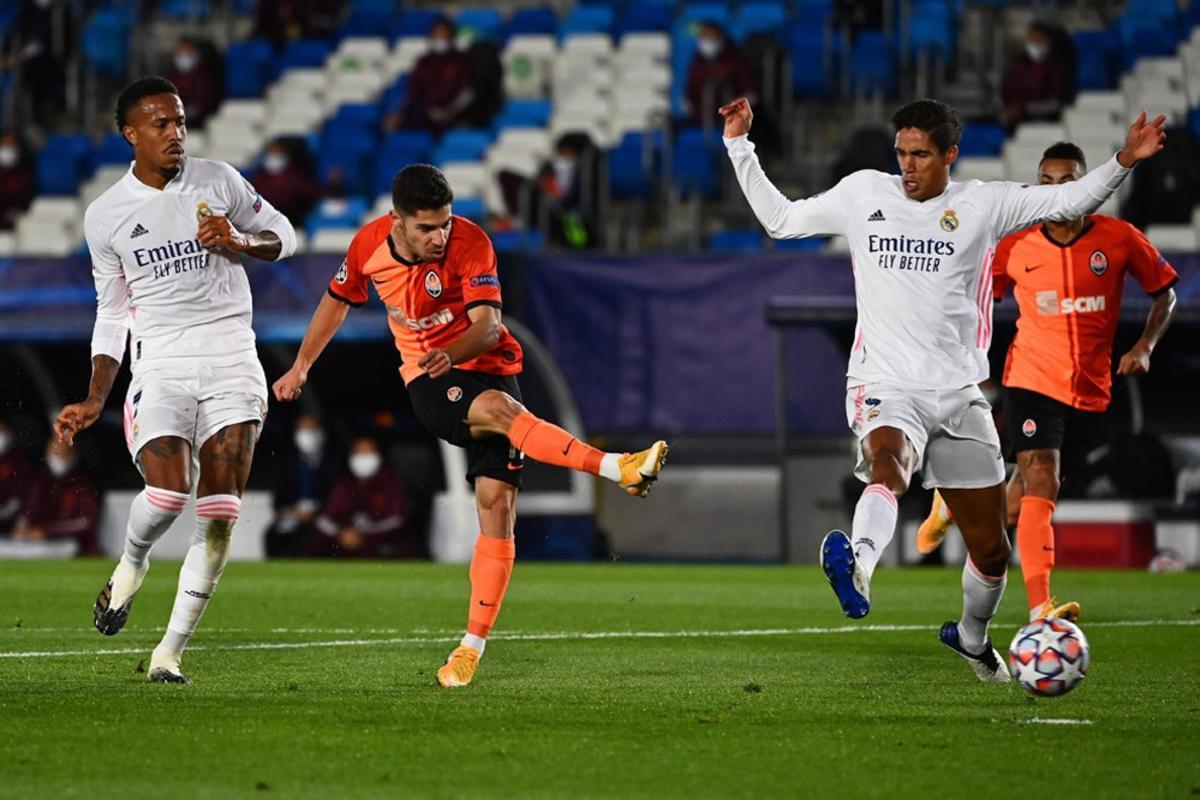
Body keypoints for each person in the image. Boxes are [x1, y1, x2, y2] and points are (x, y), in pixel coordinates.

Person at [720, 95, 1164, 682]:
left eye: (921, 155)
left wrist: (1124, 160)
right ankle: (860, 567)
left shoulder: (982, 205)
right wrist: (738, 145)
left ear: (950, 155)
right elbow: (781, 218)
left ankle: (973, 639)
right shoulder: (864, 194)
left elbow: (1068, 199)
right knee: (889, 462)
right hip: (884, 380)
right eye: (901, 153)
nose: (907, 166)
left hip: (958, 393)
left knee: (990, 551)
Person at [273, 164, 669, 687]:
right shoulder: (368, 245)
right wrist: (302, 365)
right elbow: (336, 302)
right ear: (397, 221)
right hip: (430, 379)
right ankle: (618, 467)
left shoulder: (471, 242)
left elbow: (488, 328)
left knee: (497, 507)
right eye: (426, 228)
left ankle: (469, 648)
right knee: (505, 417)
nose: (439, 237)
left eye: (445, 223)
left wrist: (450, 350)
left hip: (485, 365)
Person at [54, 76, 298, 684]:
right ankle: (131, 564)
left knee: (219, 512)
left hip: (232, 355)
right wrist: (93, 397)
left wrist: (239, 239)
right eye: (160, 124)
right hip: (160, 361)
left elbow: (286, 236)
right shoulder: (105, 215)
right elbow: (111, 313)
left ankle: (169, 652)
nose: (175, 134)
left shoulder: (217, 180)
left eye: (181, 122)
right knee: (167, 494)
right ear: (129, 134)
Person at [917, 141, 1178, 622]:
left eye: (1068, 181)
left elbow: (1166, 295)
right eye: (1047, 182)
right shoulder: (1016, 244)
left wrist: (1145, 346)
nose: (1058, 191)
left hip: (1091, 390)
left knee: (1019, 507)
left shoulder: (1119, 239)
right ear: (1036, 188)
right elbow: (972, 298)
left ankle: (952, 502)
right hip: (1031, 378)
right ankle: (1042, 607)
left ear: (1086, 183)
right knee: (1042, 476)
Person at [307, 436, 417, 558]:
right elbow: (325, 519)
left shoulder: (391, 482)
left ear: (378, 456)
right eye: (359, 452)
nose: (364, 457)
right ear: (351, 456)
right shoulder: (344, 483)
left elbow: (397, 520)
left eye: (368, 452)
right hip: (344, 542)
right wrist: (341, 534)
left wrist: (363, 535)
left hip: (380, 544)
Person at [384, 17, 476, 135]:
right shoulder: (424, 62)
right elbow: (414, 93)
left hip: (455, 115)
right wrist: (402, 114)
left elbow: (468, 93)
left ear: (451, 37)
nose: (440, 39)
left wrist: (449, 112)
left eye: (444, 36)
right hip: (428, 114)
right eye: (437, 35)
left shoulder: (462, 61)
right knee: (394, 124)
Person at [264, 412, 339, 557]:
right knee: (272, 534)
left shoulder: (333, 461)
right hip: (294, 515)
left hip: (322, 516)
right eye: (303, 430)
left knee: (307, 536)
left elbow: (337, 495)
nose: (307, 435)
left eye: (311, 429)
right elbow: (279, 499)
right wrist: (291, 511)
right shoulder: (287, 462)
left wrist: (315, 513)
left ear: (321, 432)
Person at [13, 435, 100, 554]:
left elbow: (85, 523)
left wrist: (47, 531)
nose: (57, 456)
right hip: (39, 547)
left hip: (78, 549)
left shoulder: (82, 484)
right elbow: (28, 510)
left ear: (72, 453)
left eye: (62, 451)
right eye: (54, 451)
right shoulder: (40, 481)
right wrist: (22, 526)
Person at [1000, 21, 1075, 131]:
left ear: (1048, 41)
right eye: (1032, 40)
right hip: (1017, 124)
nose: (1035, 44)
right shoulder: (1018, 65)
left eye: (1039, 40)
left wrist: (1023, 109)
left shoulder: (1057, 67)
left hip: (1048, 123)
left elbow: (1056, 103)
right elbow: (1005, 93)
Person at [685, 21, 755, 128]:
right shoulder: (698, 60)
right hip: (703, 114)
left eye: (710, 36)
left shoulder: (733, 57)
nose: (707, 40)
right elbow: (692, 85)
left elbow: (746, 87)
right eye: (704, 36)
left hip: (732, 114)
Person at [250, 139, 322, 227]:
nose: (274, 157)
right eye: (271, 153)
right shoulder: (259, 178)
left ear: (285, 156)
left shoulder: (297, 177)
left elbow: (311, 196)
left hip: (293, 223)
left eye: (277, 153)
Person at [165, 37, 222, 130]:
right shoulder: (172, 77)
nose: (183, 55)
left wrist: (191, 111)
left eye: (187, 51)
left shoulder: (203, 76)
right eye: (181, 52)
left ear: (195, 53)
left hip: (199, 124)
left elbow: (205, 102)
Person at [0, 418, 33, 534]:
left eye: (2, 431)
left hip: (12, 518)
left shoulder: (18, 460)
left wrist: (6, 511)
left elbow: (23, 491)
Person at [0, 130, 36, 230]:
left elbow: (26, 201)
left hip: (15, 221)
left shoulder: (24, 175)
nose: (7, 149)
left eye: (10, 145)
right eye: (4, 145)